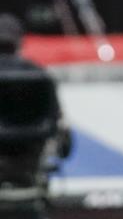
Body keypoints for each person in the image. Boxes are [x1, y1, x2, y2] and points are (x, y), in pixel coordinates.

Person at [0, 14, 72, 219]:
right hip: (29, 193)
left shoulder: (39, 78)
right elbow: (64, 144)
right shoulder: (40, 77)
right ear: (20, 41)